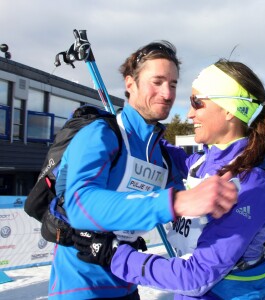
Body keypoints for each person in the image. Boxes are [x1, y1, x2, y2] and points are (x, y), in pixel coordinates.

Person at [76, 59, 265, 299]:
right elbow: (156, 148)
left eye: (197, 103)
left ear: (230, 109)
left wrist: (115, 256)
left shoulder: (251, 185)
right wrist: (125, 129)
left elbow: (195, 277)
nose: (189, 114)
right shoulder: (200, 164)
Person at [48, 42, 238, 300]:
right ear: (130, 84)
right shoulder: (100, 135)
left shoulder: (161, 153)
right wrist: (175, 202)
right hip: (80, 284)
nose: (168, 93)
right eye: (157, 82)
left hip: (127, 279)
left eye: (172, 84)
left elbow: (205, 174)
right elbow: (80, 205)